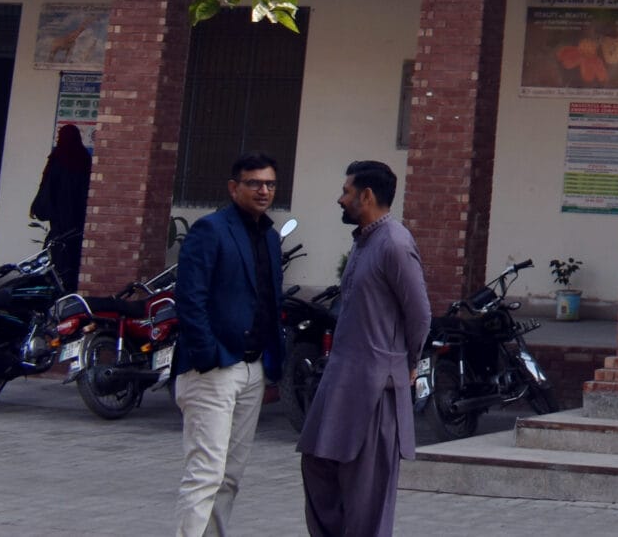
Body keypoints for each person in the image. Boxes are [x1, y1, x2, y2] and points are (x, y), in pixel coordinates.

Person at [298, 159, 430, 537]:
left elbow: (420, 313)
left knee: (366, 491)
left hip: (376, 387)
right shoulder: (363, 241)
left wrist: (410, 361)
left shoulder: (395, 244)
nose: (340, 199)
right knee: (317, 465)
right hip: (340, 380)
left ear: (367, 196)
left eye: (346, 191)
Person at [173, 152, 286, 537]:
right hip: (214, 369)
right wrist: (208, 356)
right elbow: (190, 299)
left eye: (270, 184)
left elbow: (269, 301)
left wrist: (272, 363)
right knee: (205, 473)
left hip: (253, 369)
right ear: (233, 187)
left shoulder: (270, 237)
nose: (263, 191)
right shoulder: (211, 230)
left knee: (230, 476)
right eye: (254, 183)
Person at [28, 123, 91, 291]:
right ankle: (71, 279)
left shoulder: (57, 157)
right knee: (74, 245)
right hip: (78, 213)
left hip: (59, 213)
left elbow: (47, 185)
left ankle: (54, 278)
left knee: (56, 244)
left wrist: (38, 206)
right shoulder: (84, 158)